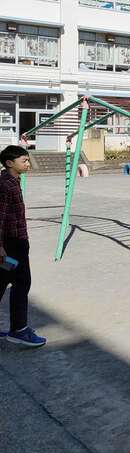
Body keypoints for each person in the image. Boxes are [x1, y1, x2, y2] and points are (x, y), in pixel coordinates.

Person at [0, 145, 45, 348]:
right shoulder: (5, 186)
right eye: (24, 161)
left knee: (2, 282)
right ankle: (19, 330)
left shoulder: (12, 181)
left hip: (15, 244)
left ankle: (18, 329)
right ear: (10, 163)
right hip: (11, 247)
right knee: (22, 282)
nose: (28, 164)